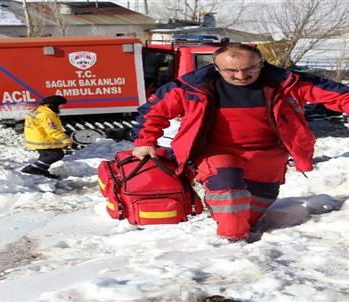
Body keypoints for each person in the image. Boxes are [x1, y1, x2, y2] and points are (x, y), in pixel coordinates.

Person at [131, 43, 349, 242]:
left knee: (250, 214)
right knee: (231, 202)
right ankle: (231, 245)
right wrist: (145, 140)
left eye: (249, 68)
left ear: (261, 63)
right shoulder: (191, 86)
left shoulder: (286, 82)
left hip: (268, 155)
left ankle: (230, 218)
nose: (241, 75)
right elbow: (153, 111)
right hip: (217, 151)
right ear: (217, 68)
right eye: (232, 70)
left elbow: (340, 96)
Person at [21, 95, 72, 179]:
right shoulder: (47, 115)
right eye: (60, 105)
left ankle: (41, 171)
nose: (61, 107)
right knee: (57, 154)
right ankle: (31, 169)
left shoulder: (38, 109)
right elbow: (53, 131)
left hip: (36, 137)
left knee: (45, 156)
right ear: (52, 104)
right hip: (43, 140)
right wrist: (67, 140)